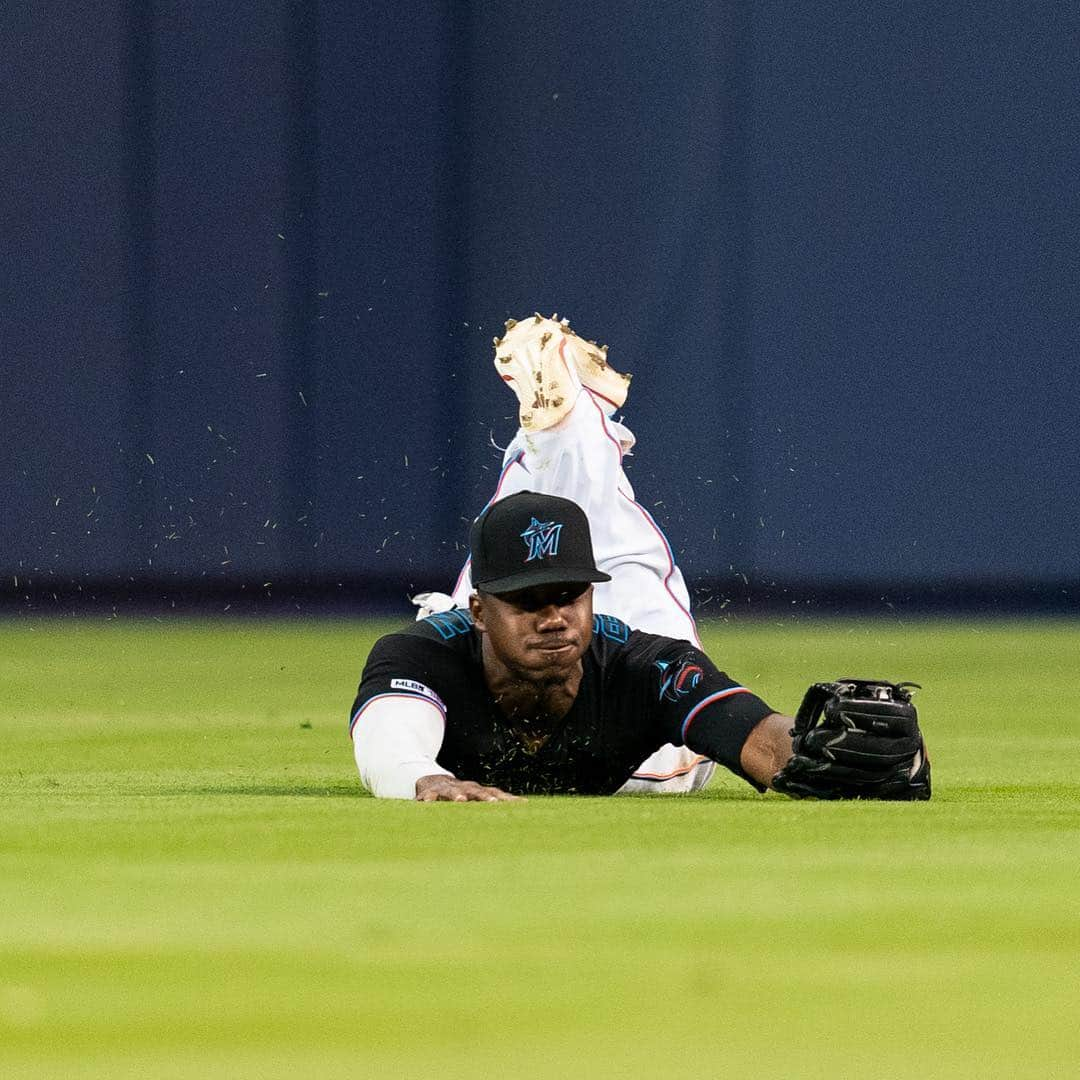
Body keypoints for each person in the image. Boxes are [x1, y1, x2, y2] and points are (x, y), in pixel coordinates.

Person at [349, 314, 931, 802]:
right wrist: (426, 780)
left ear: (591, 592)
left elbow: (752, 733)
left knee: (662, 773)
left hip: (641, 737)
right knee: (537, 524)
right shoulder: (425, 654)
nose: (552, 615)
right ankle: (579, 426)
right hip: (493, 652)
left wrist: (812, 755)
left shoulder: (647, 662)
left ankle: (568, 433)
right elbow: (390, 743)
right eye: (528, 602)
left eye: (567, 594)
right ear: (476, 609)